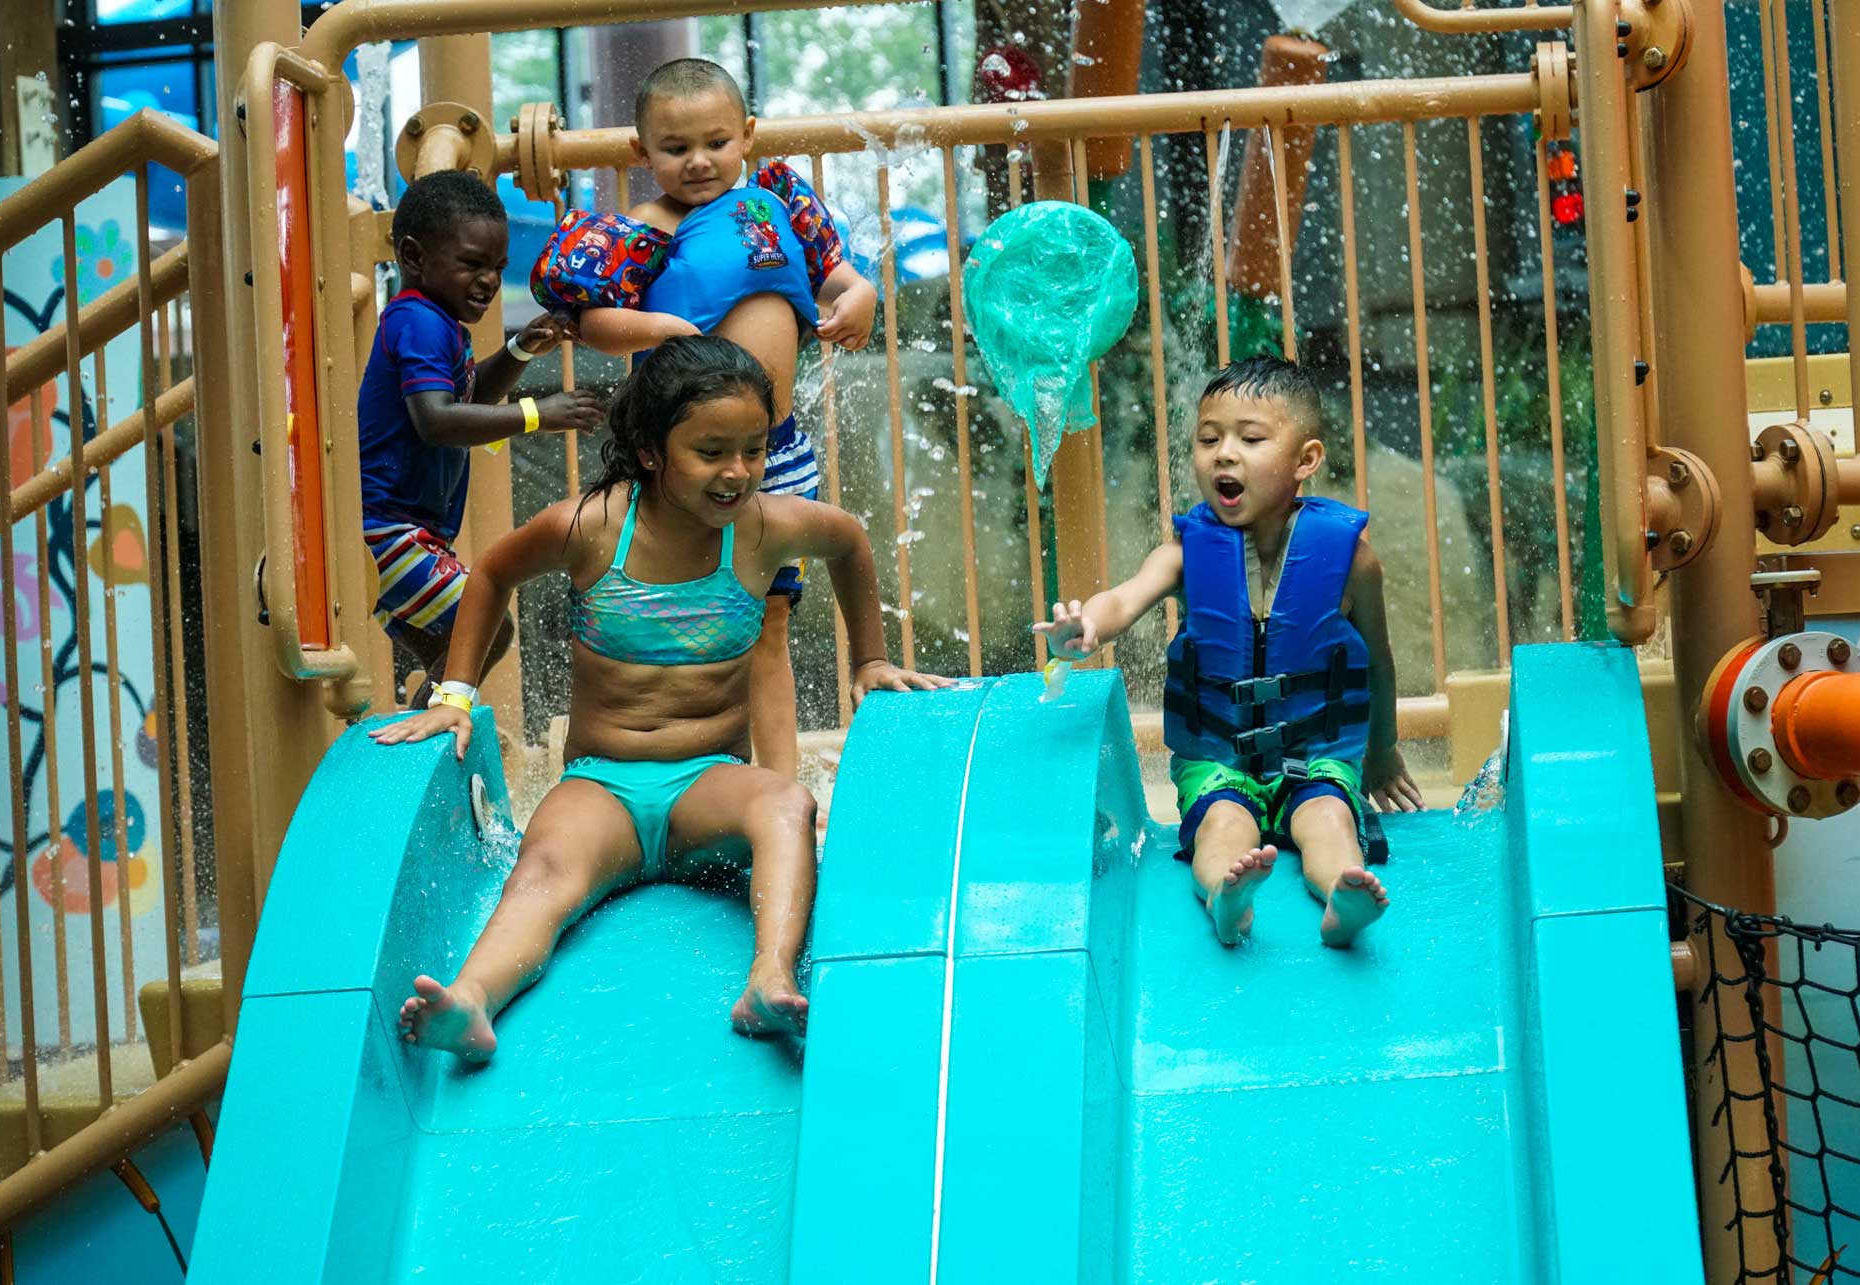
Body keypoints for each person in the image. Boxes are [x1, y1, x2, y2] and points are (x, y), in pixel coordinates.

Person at [375, 335, 946, 1061]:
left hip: (705, 783)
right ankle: (473, 1001)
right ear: (650, 451)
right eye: (711, 451)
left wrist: (870, 659)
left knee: (786, 805)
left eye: (754, 448)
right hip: (601, 787)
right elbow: (490, 574)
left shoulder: (767, 528)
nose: (737, 472)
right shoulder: (590, 528)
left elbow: (850, 542)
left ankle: (769, 976)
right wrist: (455, 694)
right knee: (545, 870)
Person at [531, 56, 880, 778]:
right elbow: (593, 322)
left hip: (772, 452)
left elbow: (834, 273)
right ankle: (696, 773)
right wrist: (658, 328)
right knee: (699, 621)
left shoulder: (778, 202)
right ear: (641, 151)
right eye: (675, 148)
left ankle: (781, 790)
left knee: (769, 620)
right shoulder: (635, 233)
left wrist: (859, 294)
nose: (698, 162)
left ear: (747, 136)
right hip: (684, 462)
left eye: (716, 143)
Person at [1035, 356, 1422, 948]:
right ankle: (1225, 895)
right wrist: (1084, 626)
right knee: (1223, 825)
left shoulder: (1351, 560)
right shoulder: (1188, 552)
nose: (1224, 454)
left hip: (1314, 754)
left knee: (1329, 818)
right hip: (1219, 761)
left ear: (1306, 460)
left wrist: (1383, 751)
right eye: (1208, 439)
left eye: (1250, 438)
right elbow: (1123, 598)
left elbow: (1378, 659)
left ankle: (1343, 895)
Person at [358, 170, 601, 702]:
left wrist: (518, 351)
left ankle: (426, 739)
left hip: (403, 531)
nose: (489, 280)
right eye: (472, 263)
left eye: (496, 267)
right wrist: (538, 413)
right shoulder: (419, 323)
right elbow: (438, 420)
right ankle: (433, 726)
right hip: (386, 532)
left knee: (450, 654)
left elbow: (466, 399)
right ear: (414, 256)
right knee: (487, 626)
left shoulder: (435, 322)